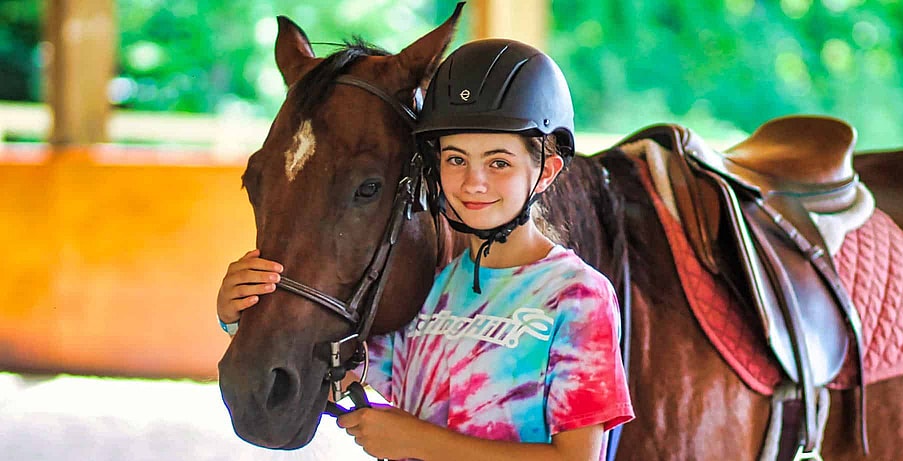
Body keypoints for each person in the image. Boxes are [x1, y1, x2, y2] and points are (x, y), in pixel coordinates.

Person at [217, 38, 633, 461]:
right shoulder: (435, 290)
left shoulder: (578, 296)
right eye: (456, 160)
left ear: (545, 170)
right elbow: (331, 370)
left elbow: (577, 458)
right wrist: (241, 317)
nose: (474, 182)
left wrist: (417, 443)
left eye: (499, 163)